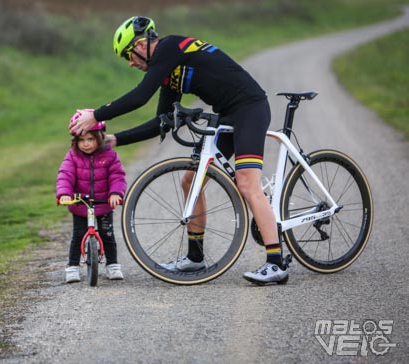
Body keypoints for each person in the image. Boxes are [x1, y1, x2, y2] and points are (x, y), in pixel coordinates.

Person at [69, 16, 287, 285]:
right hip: (228, 115)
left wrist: (97, 114)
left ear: (141, 44)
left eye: (129, 55)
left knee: (246, 183)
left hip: (250, 108)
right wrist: (113, 140)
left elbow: (139, 96)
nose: (130, 62)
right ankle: (195, 258)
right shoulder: (169, 74)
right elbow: (163, 121)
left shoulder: (170, 47)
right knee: (191, 180)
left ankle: (276, 264)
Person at [56, 113, 127, 283]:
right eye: (81, 140)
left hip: (103, 203)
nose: (85, 144)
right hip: (81, 204)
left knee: (107, 234)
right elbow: (65, 175)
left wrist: (116, 193)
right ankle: (72, 266)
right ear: (75, 141)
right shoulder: (73, 156)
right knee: (78, 234)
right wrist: (64, 194)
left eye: (90, 139)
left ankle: (113, 265)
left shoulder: (110, 156)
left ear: (100, 137)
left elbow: (117, 176)